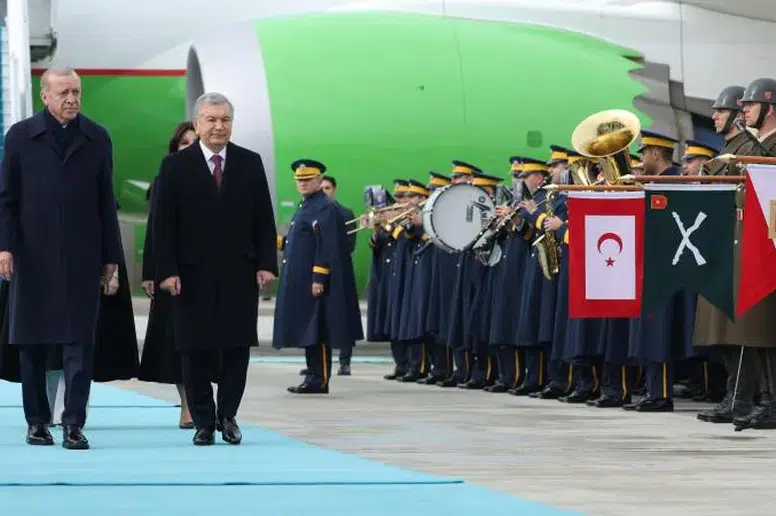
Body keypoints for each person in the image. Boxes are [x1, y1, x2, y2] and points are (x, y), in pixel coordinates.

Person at [0, 66, 122, 450]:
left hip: (82, 257)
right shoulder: (21, 137)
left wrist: (111, 259)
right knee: (32, 345)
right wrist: (5, 246)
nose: (72, 99)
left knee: (79, 345)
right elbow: (7, 198)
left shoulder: (97, 138)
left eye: (77, 92)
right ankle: (37, 421)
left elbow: (107, 202)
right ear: (45, 96)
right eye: (64, 93)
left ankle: (73, 424)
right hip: (32, 256)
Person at [151, 92, 278, 446]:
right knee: (194, 348)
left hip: (239, 271)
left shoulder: (249, 163)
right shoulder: (175, 166)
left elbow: (263, 219)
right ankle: (203, 421)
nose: (218, 126)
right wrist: (167, 270)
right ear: (197, 123)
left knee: (237, 346)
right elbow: (163, 224)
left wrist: (266, 263)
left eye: (224, 120)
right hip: (190, 275)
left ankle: (228, 415)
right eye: (211, 119)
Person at [274, 159, 363, 394]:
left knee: (319, 328)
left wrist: (319, 277)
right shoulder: (306, 206)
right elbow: (301, 241)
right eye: (299, 180)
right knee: (309, 328)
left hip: (314, 280)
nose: (302, 184)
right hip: (302, 278)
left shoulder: (325, 208)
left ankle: (320, 378)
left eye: (307, 180)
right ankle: (313, 375)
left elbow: (328, 245)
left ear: (318, 180)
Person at [138, 121, 203, 429]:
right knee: (175, 342)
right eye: (183, 143)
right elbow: (155, 228)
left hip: (205, 272)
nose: (189, 147)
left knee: (203, 342)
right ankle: (187, 404)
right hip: (171, 271)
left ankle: (201, 400)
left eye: (194, 141)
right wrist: (151, 270)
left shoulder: (216, 178)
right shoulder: (164, 178)